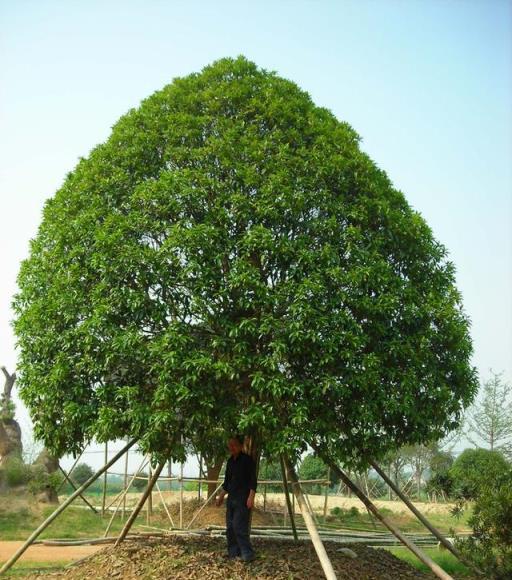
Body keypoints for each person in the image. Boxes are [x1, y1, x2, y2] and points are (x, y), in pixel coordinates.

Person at [215, 435, 257, 562]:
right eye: (230, 445)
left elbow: (253, 481)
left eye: (234, 445)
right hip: (231, 498)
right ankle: (233, 553)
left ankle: (247, 553)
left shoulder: (247, 460)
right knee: (230, 527)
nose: (231, 447)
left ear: (240, 446)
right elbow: (227, 482)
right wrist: (221, 496)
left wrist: (251, 497)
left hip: (243, 498)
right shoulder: (229, 462)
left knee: (239, 526)